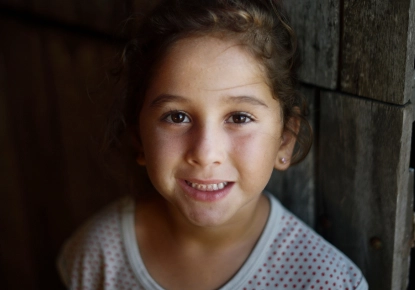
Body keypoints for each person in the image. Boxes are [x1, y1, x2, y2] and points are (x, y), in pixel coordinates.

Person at [57, 0, 368, 289]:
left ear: (284, 140)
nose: (205, 154)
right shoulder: (98, 254)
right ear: (139, 137)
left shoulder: (324, 281)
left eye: (240, 118)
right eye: (177, 116)